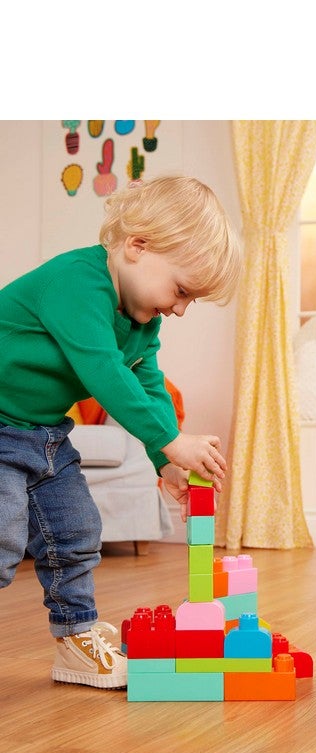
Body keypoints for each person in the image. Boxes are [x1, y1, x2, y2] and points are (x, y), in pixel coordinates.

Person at [0, 174, 242, 689]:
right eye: (181, 290)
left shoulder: (142, 322)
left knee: (74, 530)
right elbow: (103, 372)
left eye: (189, 301)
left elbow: (147, 382)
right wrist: (176, 442)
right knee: (1, 537)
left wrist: (166, 461)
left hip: (44, 435)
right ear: (137, 247)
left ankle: (76, 639)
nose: (179, 308)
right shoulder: (76, 282)